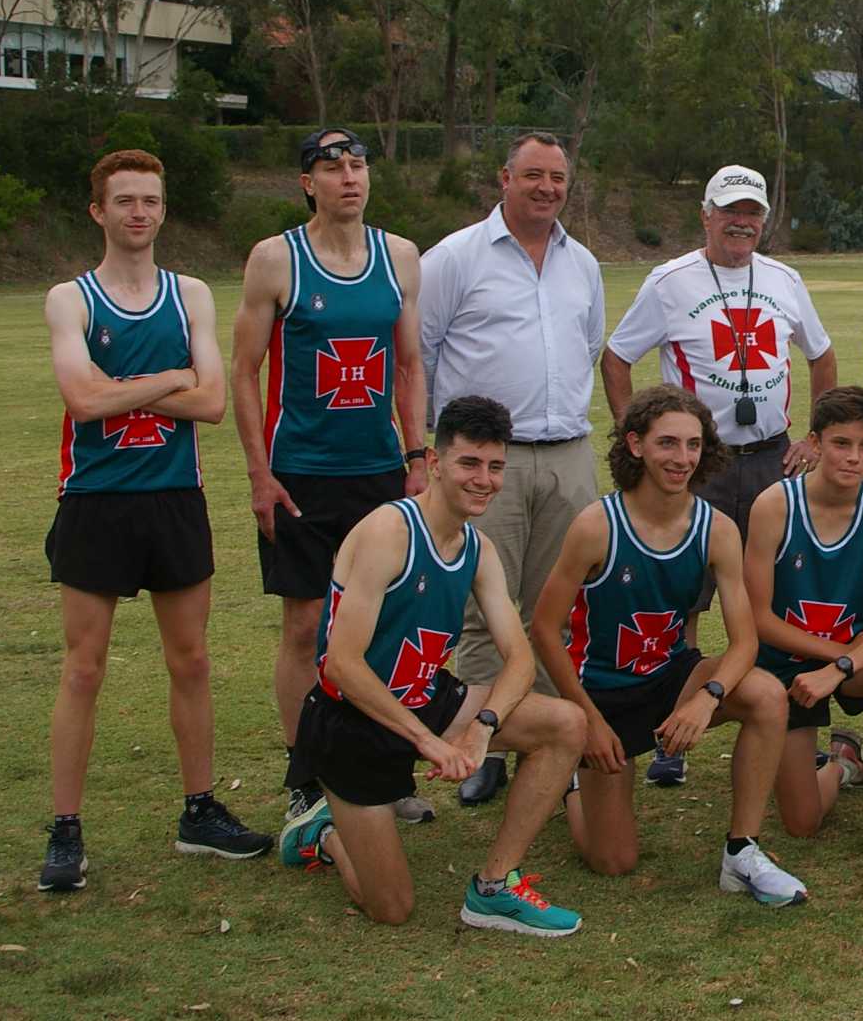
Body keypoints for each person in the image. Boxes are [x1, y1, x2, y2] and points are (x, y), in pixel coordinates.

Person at [40, 149, 270, 891]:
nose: (139, 212)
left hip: (174, 498)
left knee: (193, 661)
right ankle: (66, 830)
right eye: (124, 200)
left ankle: (200, 811)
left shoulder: (191, 295)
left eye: (150, 200)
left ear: (163, 211)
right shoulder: (69, 299)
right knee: (84, 668)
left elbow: (210, 402)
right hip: (95, 500)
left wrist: (135, 386)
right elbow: (82, 400)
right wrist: (174, 377)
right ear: (98, 211)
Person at [279, 395, 587, 934]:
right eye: (469, 463)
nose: (484, 480)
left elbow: (518, 658)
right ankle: (320, 831)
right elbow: (342, 666)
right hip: (352, 722)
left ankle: (494, 886)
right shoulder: (387, 532)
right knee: (392, 909)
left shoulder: (478, 548)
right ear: (435, 462)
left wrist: (483, 731)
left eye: (495, 467)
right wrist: (429, 742)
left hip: (424, 699)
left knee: (566, 724)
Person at [600, 164, 837, 785]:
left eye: (753, 212)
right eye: (731, 210)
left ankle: (794, 721)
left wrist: (814, 435)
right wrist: (642, 444)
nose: (743, 222)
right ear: (705, 214)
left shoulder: (784, 279)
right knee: (685, 595)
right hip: (696, 465)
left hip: (771, 456)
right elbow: (618, 356)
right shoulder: (670, 281)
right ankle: (672, 733)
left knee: (780, 588)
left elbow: (822, 353)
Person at [531, 385, 807, 906]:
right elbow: (545, 629)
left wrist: (708, 697)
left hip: (672, 679)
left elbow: (744, 640)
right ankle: (571, 783)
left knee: (767, 695)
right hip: (603, 695)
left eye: (693, 445)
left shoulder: (716, 528)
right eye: (667, 444)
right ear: (635, 445)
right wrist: (585, 718)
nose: (682, 458)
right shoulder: (597, 525)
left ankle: (741, 851)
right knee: (613, 862)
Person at [232, 128, 430, 824]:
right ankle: (305, 776)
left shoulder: (399, 256)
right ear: (306, 182)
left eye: (358, 165)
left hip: (380, 473)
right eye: (332, 167)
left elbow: (408, 365)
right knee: (306, 625)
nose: (350, 177)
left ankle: (382, 765)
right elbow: (245, 371)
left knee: (380, 625)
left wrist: (417, 456)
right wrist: (260, 475)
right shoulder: (274, 259)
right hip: (303, 475)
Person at [419, 131, 605, 807]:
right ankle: (484, 744)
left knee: (555, 610)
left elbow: (588, 345)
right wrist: (428, 454)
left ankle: (549, 742)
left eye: (557, 177)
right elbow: (421, 353)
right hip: (484, 463)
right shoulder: (454, 258)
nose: (547, 188)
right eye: (533, 175)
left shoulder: (581, 262)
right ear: (504, 178)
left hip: (567, 456)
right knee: (483, 612)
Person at [744, 387, 863, 874]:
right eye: (841, 443)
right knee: (802, 822)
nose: (854, 457)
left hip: (850, 661)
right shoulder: (774, 505)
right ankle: (844, 763)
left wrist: (842, 666)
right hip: (787, 666)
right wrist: (837, 656)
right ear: (813, 443)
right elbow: (759, 618)